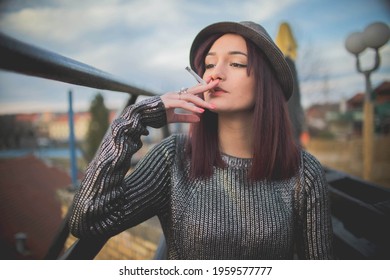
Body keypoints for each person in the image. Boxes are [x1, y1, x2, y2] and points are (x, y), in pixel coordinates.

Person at [69, 21, 333, 260]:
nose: (214, 75)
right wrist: (135, 118)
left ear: (266, 82)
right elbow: (87, 218)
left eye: (236, 63)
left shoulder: (304, 171)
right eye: (209, 64)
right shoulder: (171, 158)